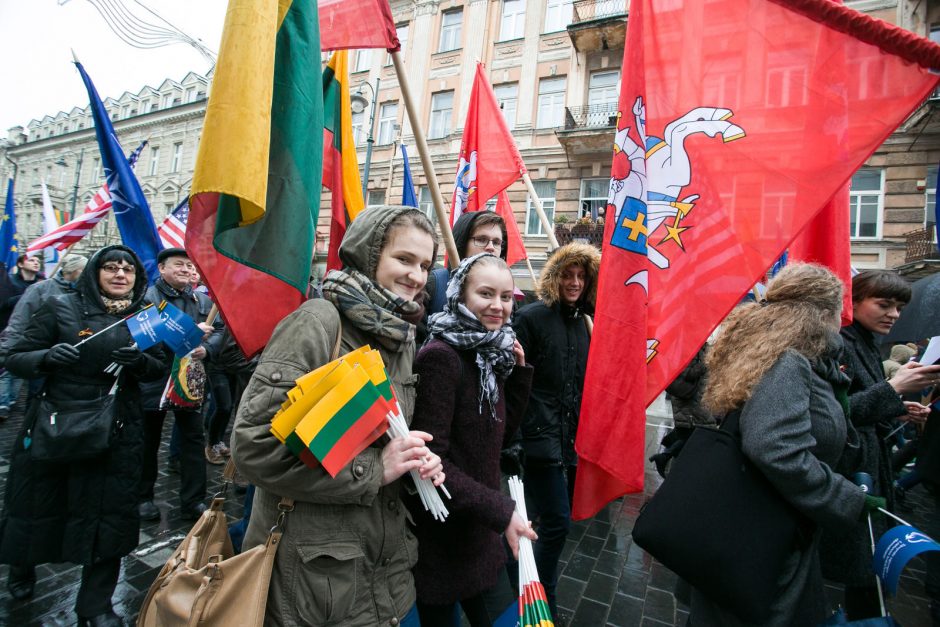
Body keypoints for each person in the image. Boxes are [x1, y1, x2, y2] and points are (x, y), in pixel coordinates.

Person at [232, 206, 445, 626]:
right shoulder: (318, 321)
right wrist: (374, 470)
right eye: (404, 260)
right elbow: (252, 448)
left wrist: (413, 462)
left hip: (383, 572)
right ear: (368, 255)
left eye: (425, 265)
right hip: (311, 582)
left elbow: (382, 439)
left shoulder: (403, 335)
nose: (417, 277)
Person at [692, 263, 872, 625]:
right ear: (823, 313)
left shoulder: (790, 355)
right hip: (763, 534)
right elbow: (774, 445)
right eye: (841, 309)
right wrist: (840, 495)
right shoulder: (790, 360)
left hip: (759, 528)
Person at [0, 245, 164, 626]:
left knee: (110, 516)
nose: (121, 274)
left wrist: (140, 362)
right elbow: (15, 357)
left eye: (129, 270)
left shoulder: (145, 317)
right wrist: (45, 358)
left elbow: (158, 366)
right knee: (38, 506)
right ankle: (22, 567)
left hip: (116, 430)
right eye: (112, 268)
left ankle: (95, 606)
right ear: (95, 272)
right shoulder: (59, 306)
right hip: (56, 425)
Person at [408, 253, 536, 626]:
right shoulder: (441, 357)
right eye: (486, 294)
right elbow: (431, 462)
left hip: (480, 537)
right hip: (443, 542)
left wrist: (519, 374)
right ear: (460, 295)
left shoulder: (490, 352)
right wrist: (503, 511)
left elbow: (498, 436)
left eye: (507, 296)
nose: (498, 306)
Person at [820, 269, 940, 619]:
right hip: (851, 473)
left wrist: (898, 410)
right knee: (856, 569)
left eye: (900, 307)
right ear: (853, 302)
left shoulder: (867, 342)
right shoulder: (840, 342)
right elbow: (832, 413)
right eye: (884, 304)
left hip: (869, 469)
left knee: (865, 569)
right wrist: (894, 390)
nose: (894, 314)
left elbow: (861, 404)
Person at [512, 242, 600, 619]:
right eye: (567, 274)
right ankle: (543, 594)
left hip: (569, 442)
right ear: (554, 276)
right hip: (536, 439)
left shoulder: (585, 323)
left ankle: (521, 583)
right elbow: (513, 379)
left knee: (537, 520)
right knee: (557, 523)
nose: (574, 282)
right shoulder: (531, 317)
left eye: (581, 276)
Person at [137, 247, 217, 522]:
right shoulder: (146, 298)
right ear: (162, 268)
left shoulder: (202, 300)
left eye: (188, 265)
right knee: (148, 440)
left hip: (190, 378)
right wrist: (190, 333)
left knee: (193, 439)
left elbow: (219, 332)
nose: (185, 269)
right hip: (154, 379)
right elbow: (146, 338)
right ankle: (143, 497)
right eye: (178, 264)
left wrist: (208, 350)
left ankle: (193, 501)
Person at [426, 211, 509, 315]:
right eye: (482, 240)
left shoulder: (506, 296)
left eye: (496, 242)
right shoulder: (434, 284)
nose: (491, 247)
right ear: (462, 244)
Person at [0, 254, 44, 418]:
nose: (35, 263)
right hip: (9, 329)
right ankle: (2, 404)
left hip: (31, 333)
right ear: (20, 264)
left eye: (38, 261)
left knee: (20, 370)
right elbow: (4, 303)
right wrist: (27, 297)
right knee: (5, 370)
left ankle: (11, 400)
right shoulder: (9, 281)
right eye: (31, 260)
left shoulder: (42, 284)